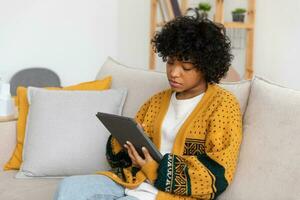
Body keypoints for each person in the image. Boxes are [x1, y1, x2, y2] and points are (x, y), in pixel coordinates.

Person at [54, 15, 242, 200]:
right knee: (69, 188)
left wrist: (153, 169)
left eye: (185, 67)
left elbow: (219, 172)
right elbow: (119, 159)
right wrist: (126, 141)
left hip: (171, 195)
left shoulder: (223, 106)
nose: (174, 73)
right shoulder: (156, 101)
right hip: (132, 180)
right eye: (170, 62)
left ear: (206, 67)